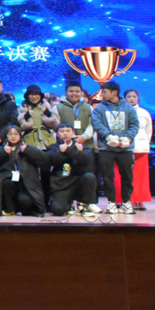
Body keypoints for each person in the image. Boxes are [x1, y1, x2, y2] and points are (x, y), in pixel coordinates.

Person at [91, 81, 139, 214]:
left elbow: (135, 124)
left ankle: (126, 203)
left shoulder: (128, 108)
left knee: (127, 177)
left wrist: (128, 138)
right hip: (106, 148)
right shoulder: (99, 108)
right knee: (107, 177)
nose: (102, 94)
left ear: (114, 93)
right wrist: (108, 137)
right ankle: (111, 203)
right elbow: (97, 123)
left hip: (125, 148)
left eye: (105, 92)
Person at [53, 81, 100, 212]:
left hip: (85, 145)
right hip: (65, 146)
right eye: (71, 91)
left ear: (81, 93)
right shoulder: (58, 107)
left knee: (89, 175)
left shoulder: (88, 107)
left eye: (77, 91)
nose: (74, 94)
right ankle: (69, 200)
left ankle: (89, 202)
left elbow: (92, 125)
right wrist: (64, 138)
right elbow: (56, 126)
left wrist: (84, 137)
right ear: (66, 92)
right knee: (68, 172)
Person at [0, 125, 49, 217]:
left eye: (16, 134)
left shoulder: (27, 148)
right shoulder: (2, 148)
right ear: (6, 136)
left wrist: (28, 150)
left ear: (20, 135)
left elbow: (45, 159)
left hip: (24, 184)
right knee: (6, 183)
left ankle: (24, 209)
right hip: (8, 183)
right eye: (10, 134)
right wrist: (2, 151)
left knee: (25, 201)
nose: (13, 136)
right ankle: (9, 209)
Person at [47, 123, 97, 217]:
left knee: (90, 177)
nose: (65, 133)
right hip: (62, 185)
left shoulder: (81, 146)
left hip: (78, 182)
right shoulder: (53, 147)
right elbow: (52, 159)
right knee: (58, 210)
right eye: (62, 131)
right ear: (57, 134)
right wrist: (74, 152)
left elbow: (87, 159)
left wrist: (69, 150)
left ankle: (83, 205)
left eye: (68, 131)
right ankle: (69, 205)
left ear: (73, 133)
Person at [116, 89, 153, 211]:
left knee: (140, 177)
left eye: (134, 96)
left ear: (137, 98)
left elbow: (148, 131)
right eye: (129, 96)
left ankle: (139, 200)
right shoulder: (120, 112)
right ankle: (126, 200)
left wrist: (145, 142)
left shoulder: (144, 113)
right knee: (124, 175)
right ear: (124, 98)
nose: (132, 99)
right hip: (124, 148)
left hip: (141, 149)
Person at [18, 84, 59, 151]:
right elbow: (21, 126)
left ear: (40, 95)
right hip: (30, 138)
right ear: (27, 96)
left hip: (47, 138)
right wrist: (26, 116)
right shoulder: (23, 108)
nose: (34, 97)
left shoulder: (46, 107)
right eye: (31, 94)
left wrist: (48, 114)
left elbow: (55, 124)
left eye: (36, 94)